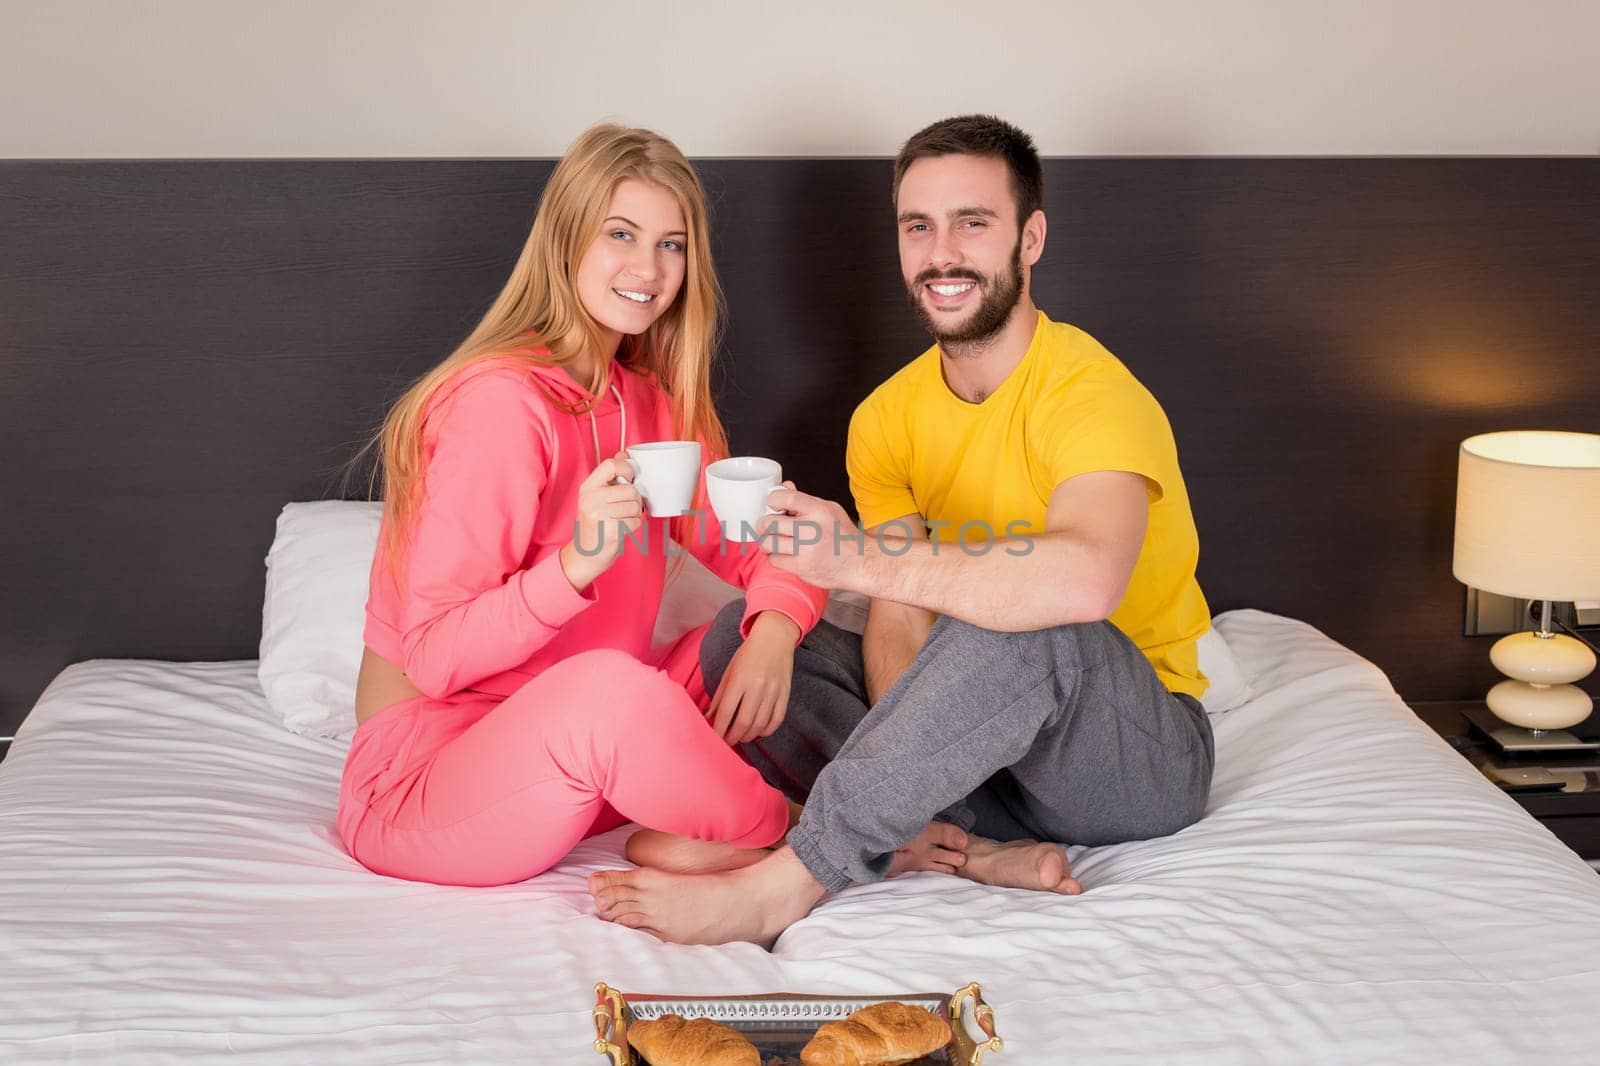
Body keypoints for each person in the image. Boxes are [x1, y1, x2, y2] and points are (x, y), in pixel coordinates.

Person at [589, 114, 1215, 945]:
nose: (941, 252)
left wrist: (858, 560)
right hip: (991, 768)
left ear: (1030, 238)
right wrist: (924, 749)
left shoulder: (1092, 394)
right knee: (740, 637)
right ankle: (960, 846)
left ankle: (790, 875)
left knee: (1026, 623)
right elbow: (899, 621)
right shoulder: (887, 417)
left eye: (973, 222)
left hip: (1130, 754)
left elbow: (1086, 582)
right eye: (918, 226)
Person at [337, 123, 843, 888]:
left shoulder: (652, 405)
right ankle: (820, 838)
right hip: (426, 781)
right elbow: (434, 657)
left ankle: (769, 823)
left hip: (583, 767)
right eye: (622, 234)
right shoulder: (501, 404)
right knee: (612, 688)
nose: (649, 267)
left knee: (780, 633)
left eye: (672, 244)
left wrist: (772, 631)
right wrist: (576, 566)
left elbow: (775, 547)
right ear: (566, 242)